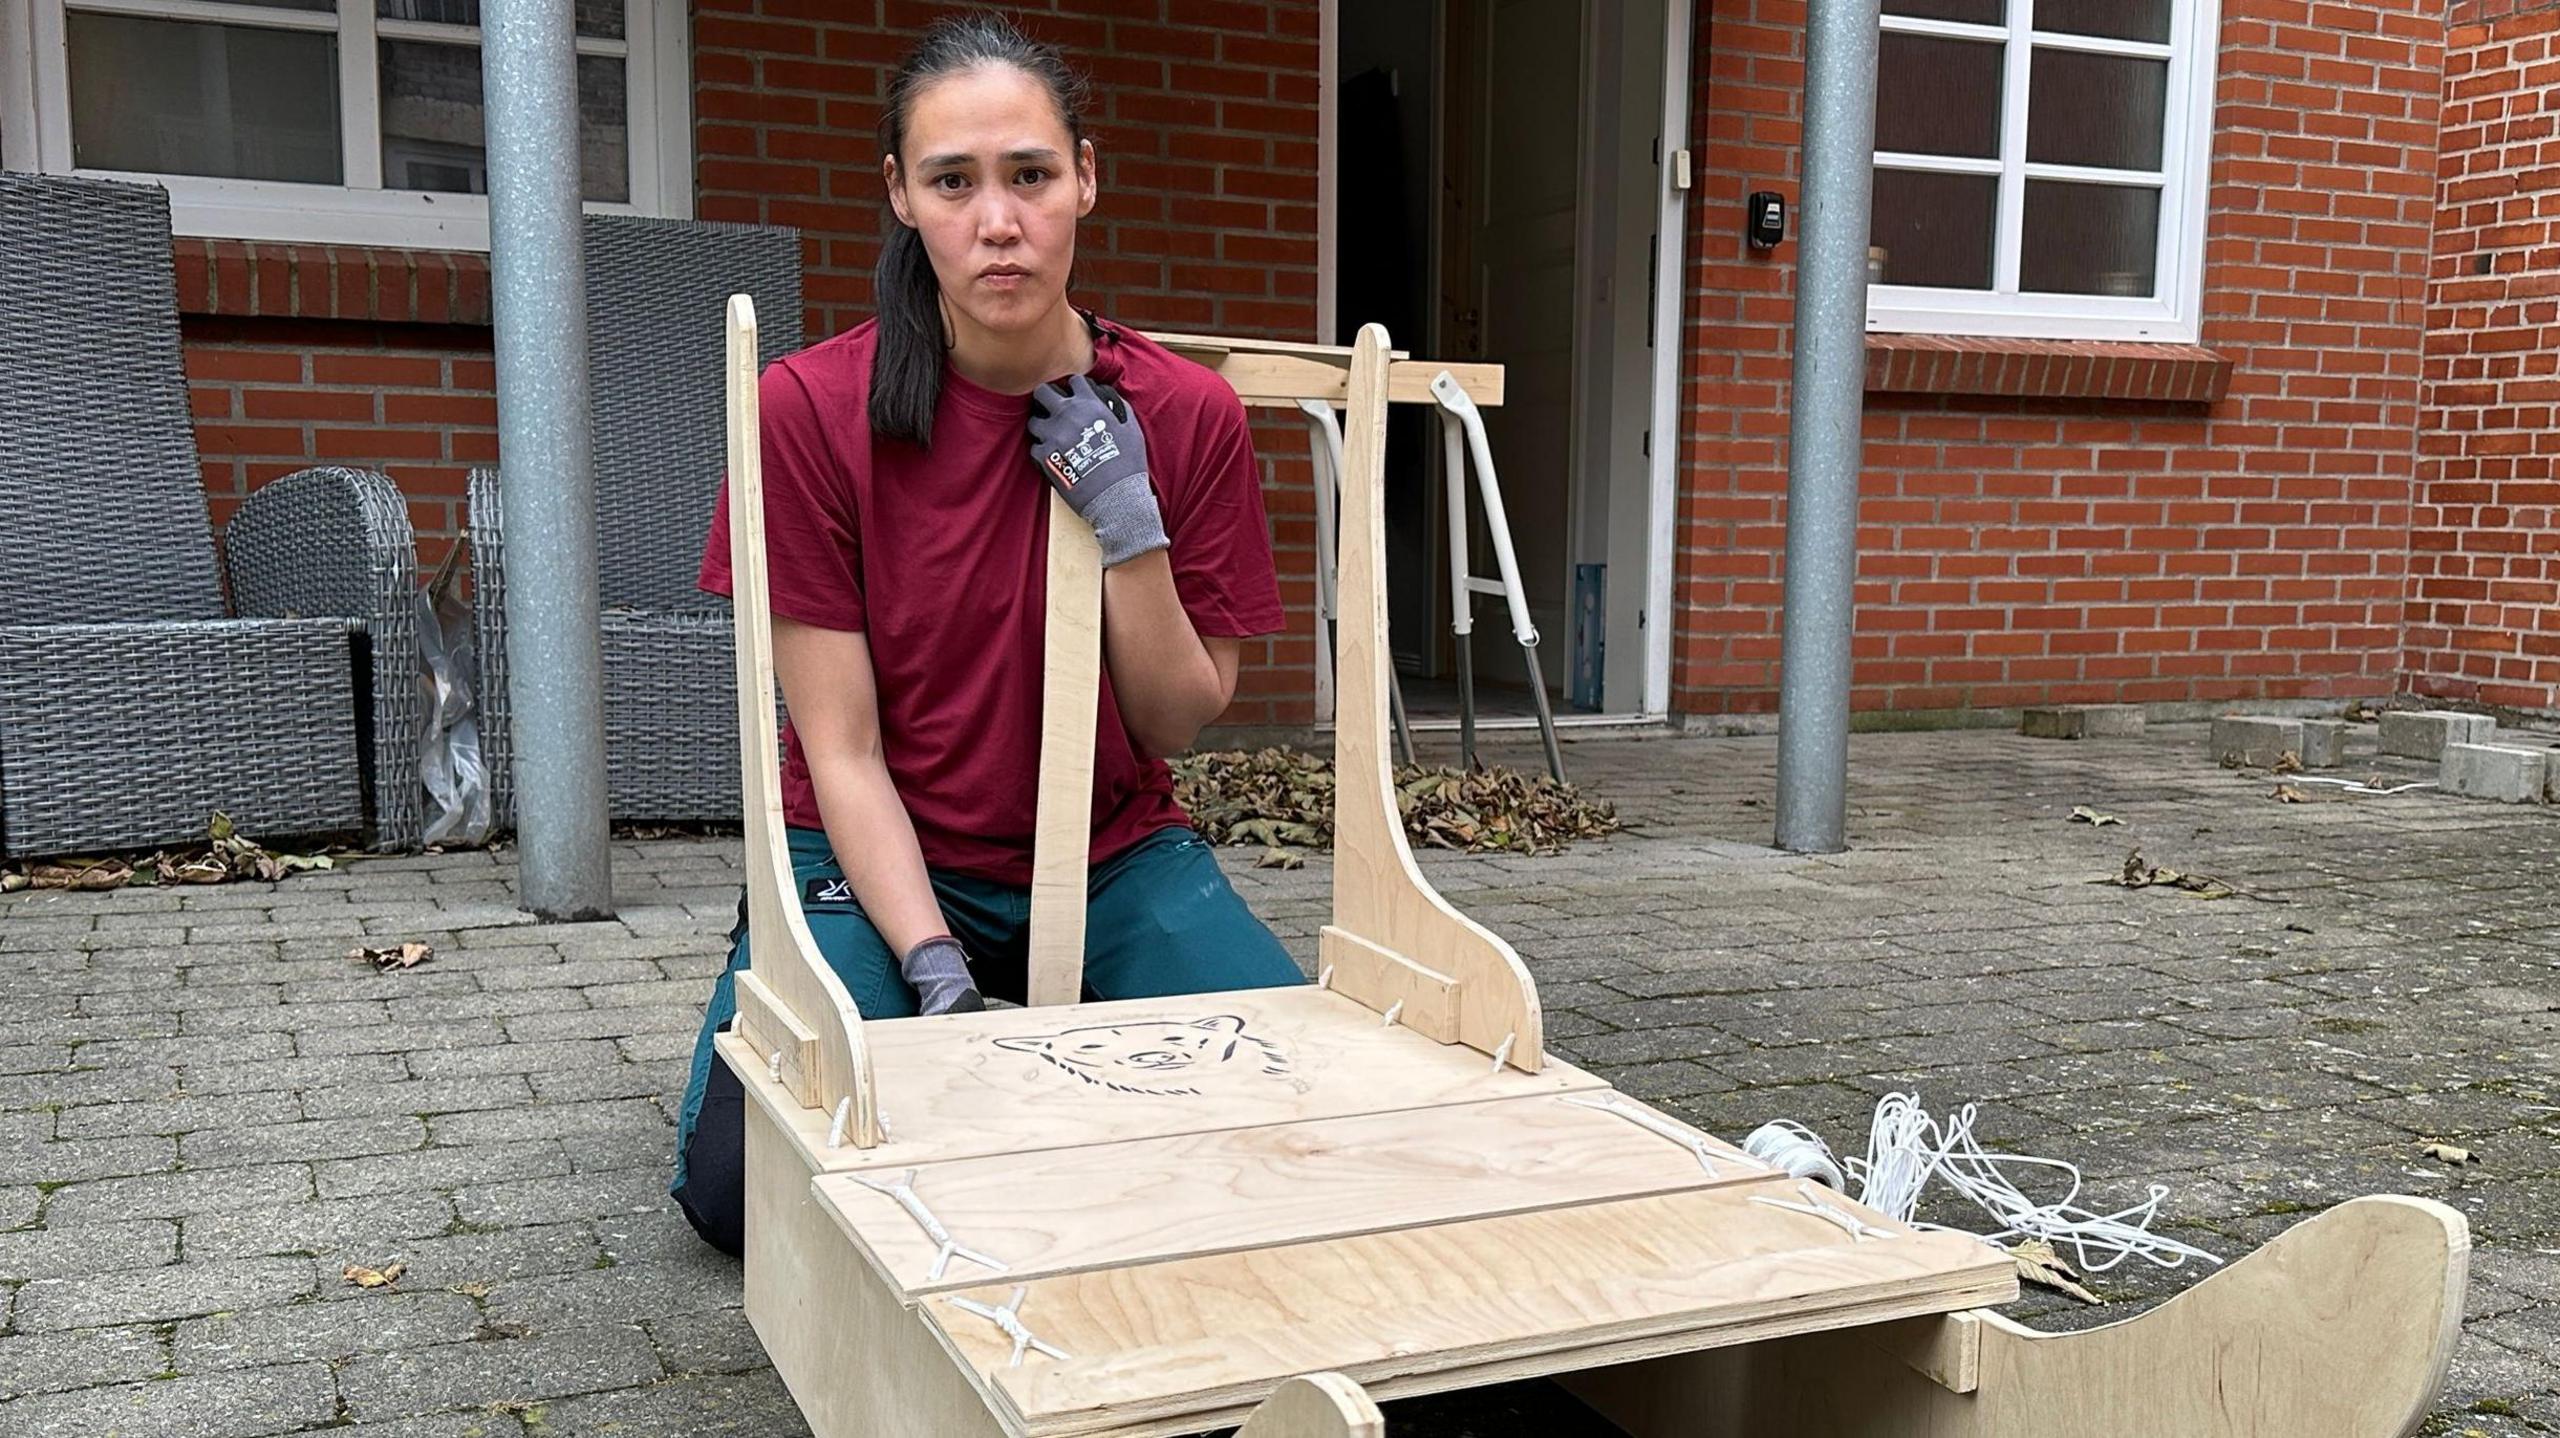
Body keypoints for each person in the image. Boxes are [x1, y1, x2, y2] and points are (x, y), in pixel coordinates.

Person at [668, 12, 1308, 1256]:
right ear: (901, 195)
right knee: (745, 1191)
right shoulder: (806, 410)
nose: (997, 221)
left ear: (1084, 177)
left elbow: (1179, 715)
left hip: (1111, 850)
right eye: (954, 182)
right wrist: (931, 966)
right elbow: (840, 752)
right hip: (870, 862)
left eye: (1029, 175)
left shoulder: (1184, 412)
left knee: (1291, 1102)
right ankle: (832, 966)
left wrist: (1128, 528)